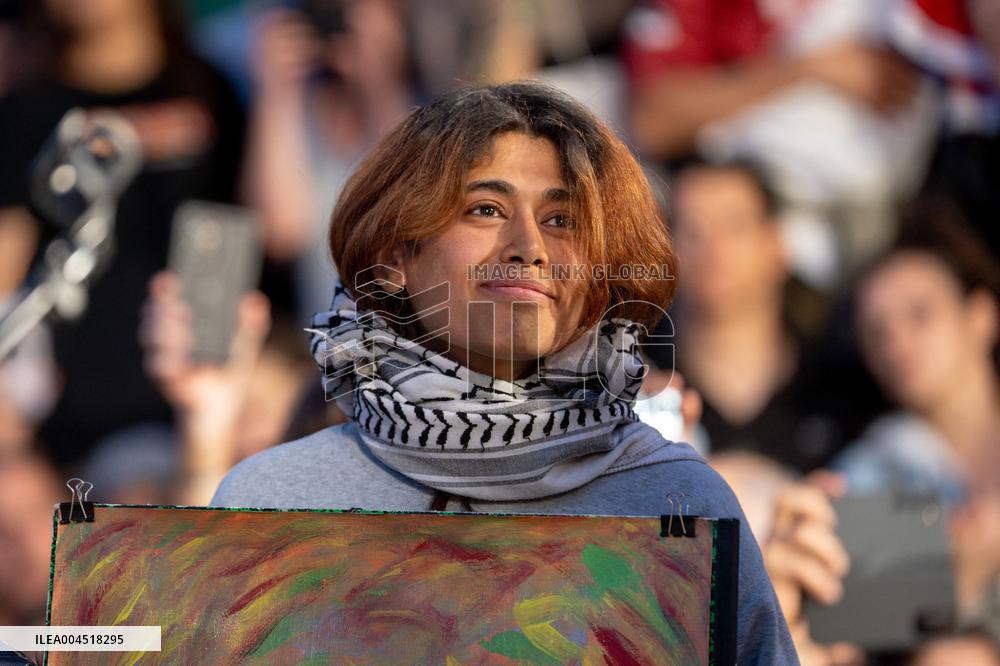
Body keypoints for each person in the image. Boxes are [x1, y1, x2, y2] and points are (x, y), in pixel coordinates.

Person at [209, 81, 796, 662]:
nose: (530, 246)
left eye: (562, 219)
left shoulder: (680, 501)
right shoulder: (269, 502)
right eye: (486, 209)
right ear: (394, 257)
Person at [0, 0, 245, 471]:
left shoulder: (205, 86)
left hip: (193, 386)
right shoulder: (28, 106)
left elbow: (240, 234)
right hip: (70, 412)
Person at [833, 202, 1000, 634]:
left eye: (920, 314)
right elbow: (860, 636)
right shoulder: (862, 476)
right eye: (877, 332)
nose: (897, 343)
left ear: (981, 318)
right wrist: (964, 577)